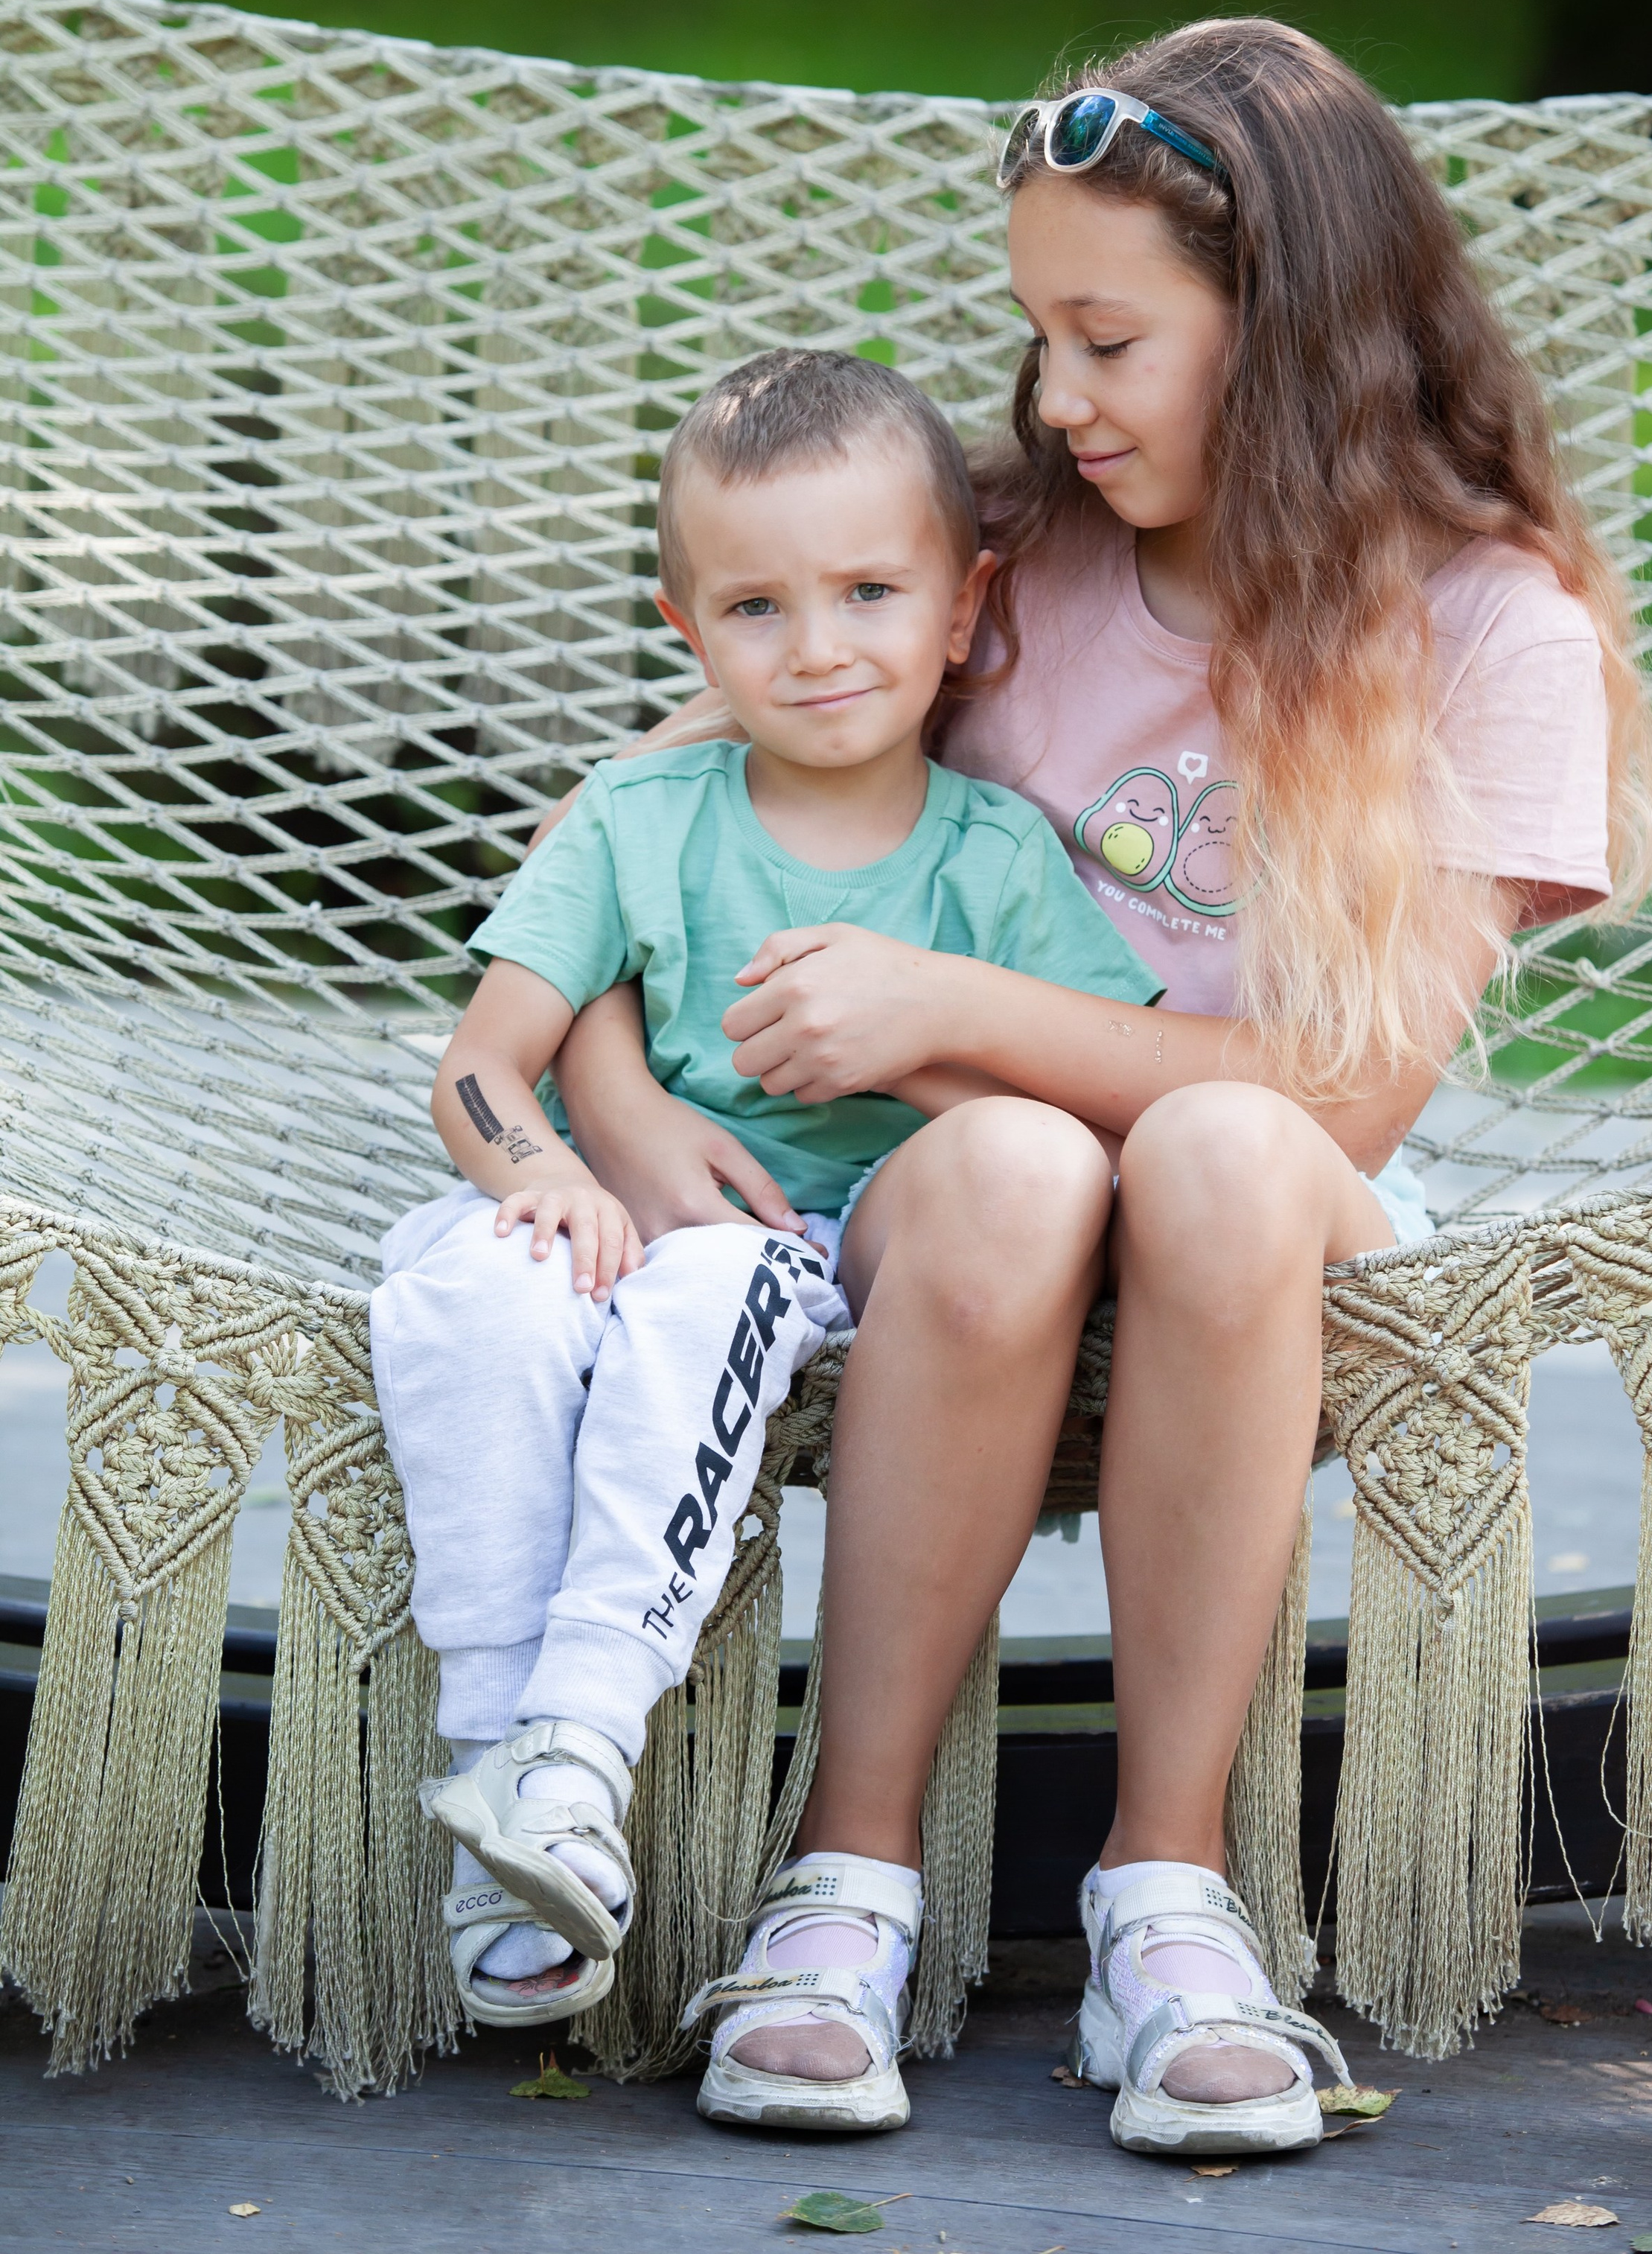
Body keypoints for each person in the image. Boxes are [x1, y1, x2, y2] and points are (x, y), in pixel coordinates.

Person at [549, 17, 1652, 2157]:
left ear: (1295, 329)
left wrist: (941, 1000)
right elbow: (610, 850)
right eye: (1037, 336)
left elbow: (1338, 1109)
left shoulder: (1484, 632)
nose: (1054, 397)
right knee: (1009, 1163)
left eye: (1108, 340)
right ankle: (842, 1886)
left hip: (1264, 1216)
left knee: (1222, 1152)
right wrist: (622, 1112)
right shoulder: (1000, 557)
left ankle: (1168, 1897)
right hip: (946, 1215)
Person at [368, 349, 1162, 2047]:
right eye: (755, 609)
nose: (815, 649)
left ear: (963, 611)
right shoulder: (637, 817)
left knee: (707, 1291)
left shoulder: (995, 859)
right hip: (602, 1210)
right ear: (689, 634)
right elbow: (479, 1067)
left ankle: (585, 1727)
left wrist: (910, 1049)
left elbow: (1086, 1131)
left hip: (794, 1259)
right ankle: (510, 1773)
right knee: (466, 1293)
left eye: (869, 593)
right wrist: (550, 1177)